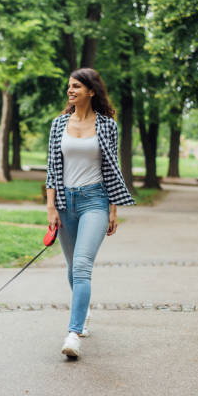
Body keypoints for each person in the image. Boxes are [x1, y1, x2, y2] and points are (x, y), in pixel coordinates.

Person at [45, 68, 136, 358]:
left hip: (94, 200)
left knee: (83, 266)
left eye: (76, 86)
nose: (70, 91)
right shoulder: (58, 124)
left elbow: (113, 169)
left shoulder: (107, 125)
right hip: (65, 203)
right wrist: (51, 208)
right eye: (69, 86)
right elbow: (51, 169)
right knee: (73, 269)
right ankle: (82, 314)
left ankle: (73, 333)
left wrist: (113, 209)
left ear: (91, 91)